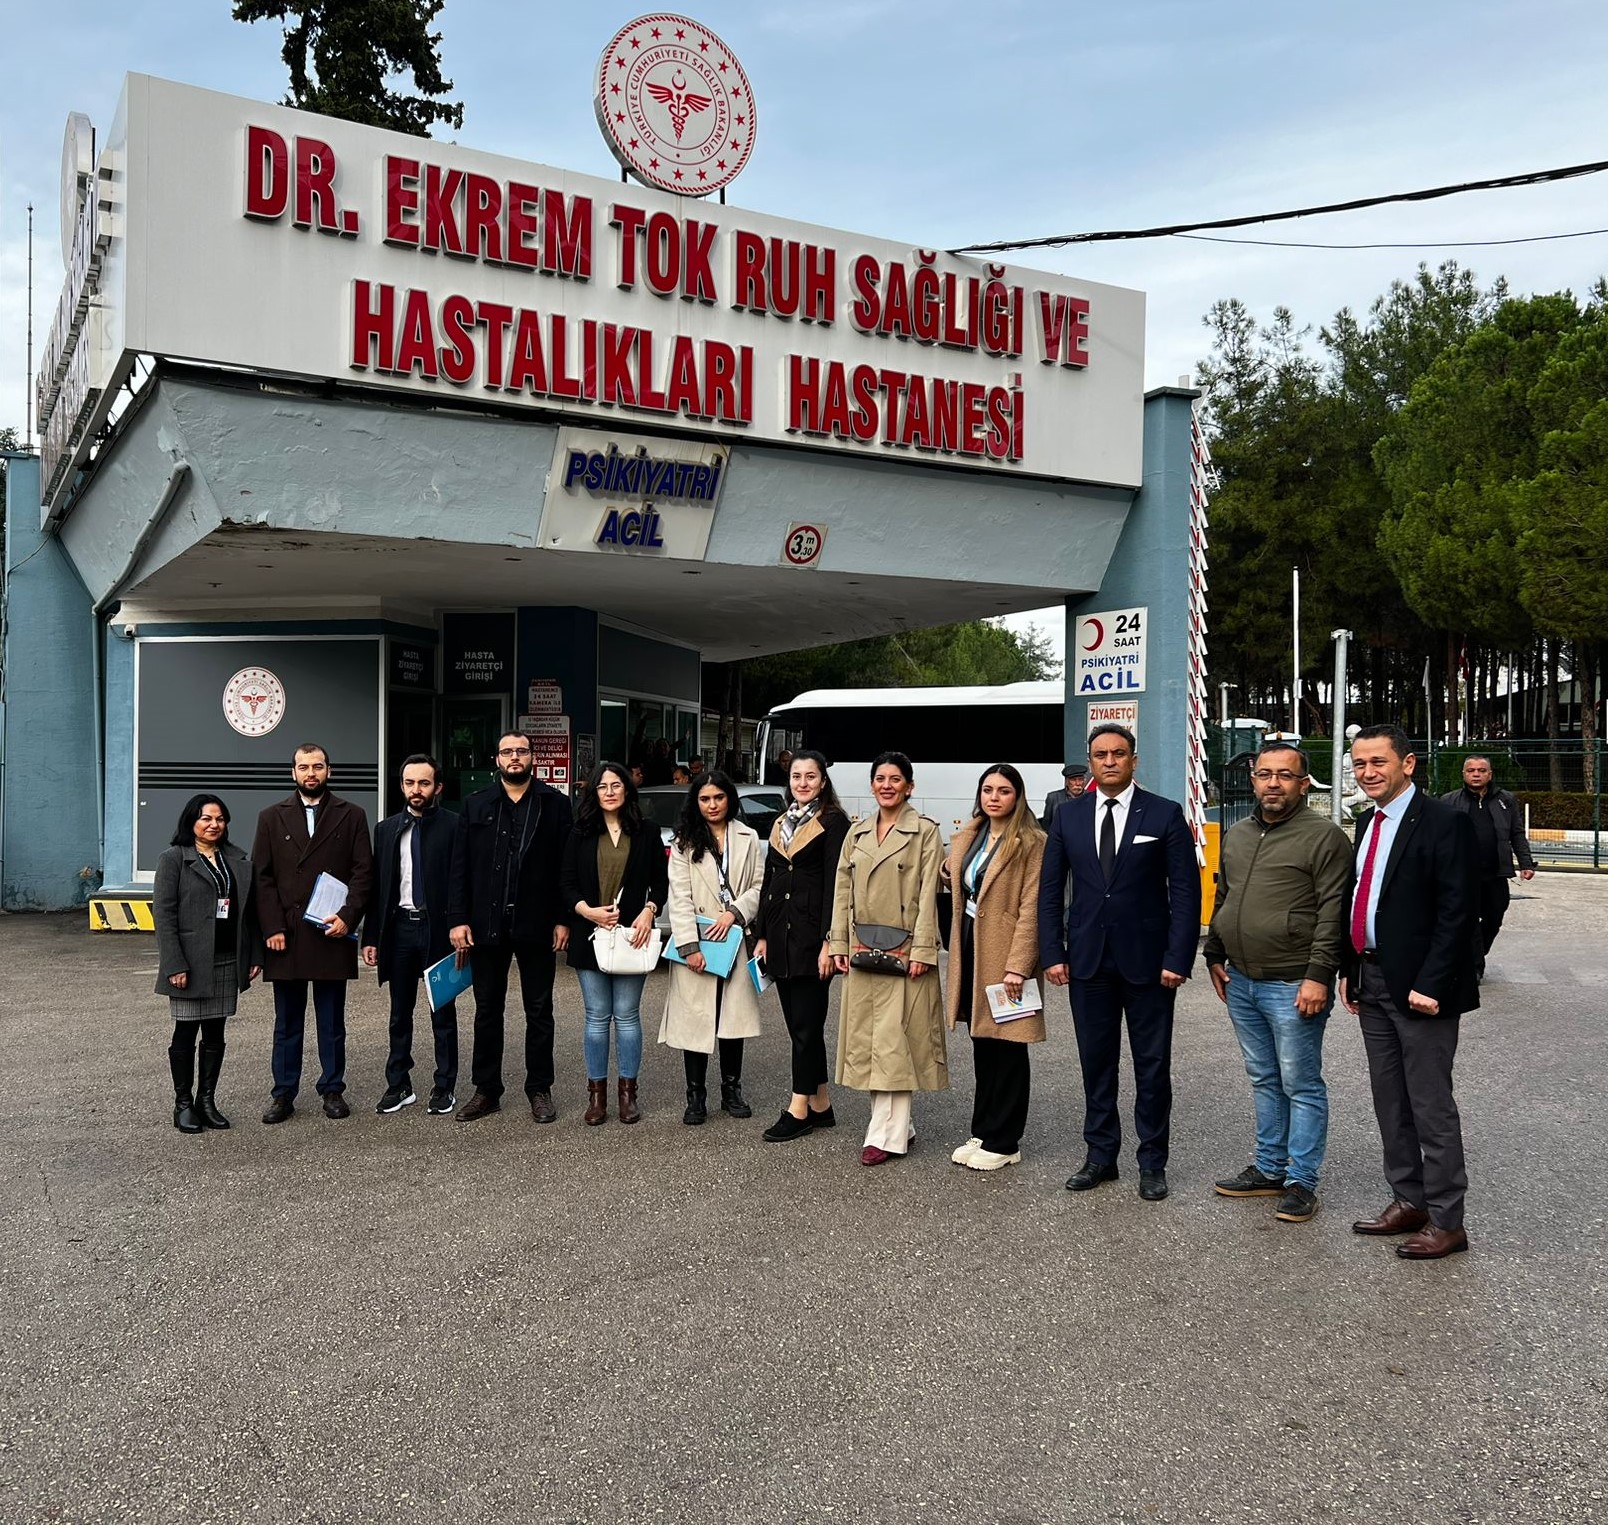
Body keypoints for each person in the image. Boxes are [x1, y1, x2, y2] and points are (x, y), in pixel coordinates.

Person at [1038, 724, 1201, 1201]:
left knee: (1152, 1067)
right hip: (1087, 963)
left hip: (1150, 965)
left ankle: (1152, 1162)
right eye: (1100, 754)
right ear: (1090, 761)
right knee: (1096, 1064)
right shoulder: (1068, 817)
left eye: (1118, 753)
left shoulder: (1166, 814)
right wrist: (1053, 952)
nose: (1109, 761)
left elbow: (1186, 893)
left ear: (1134, 760)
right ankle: (1100, 1156)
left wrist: (1178, 957)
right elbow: (1050, 892)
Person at [1342, 723, 1480, 1260]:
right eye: (1360, 764)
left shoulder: (1445, 822)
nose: (1368, 773)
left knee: (1429, 1105)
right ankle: (1409, 1199)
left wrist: (1431, 983)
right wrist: (1352, 971)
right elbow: (1365, 899)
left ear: (1408, 764)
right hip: (1372, 980)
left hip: (1423, 989)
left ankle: (1448, 1221)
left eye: (1378, 762)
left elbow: (1458, 912)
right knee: (1389, 1100)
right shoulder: (1366, 823)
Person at [1203, 742, 1353, 1223]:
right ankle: (1269, 1169)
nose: (1273, 783)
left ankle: (1302, 1182)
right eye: (1264, 774)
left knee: (1301, 1084)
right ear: (1253, 780)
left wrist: (1318, 976)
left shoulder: (1324, 837)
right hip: (1242, 980)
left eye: (1284, 775)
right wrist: (1214, 952)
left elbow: (1334, 913)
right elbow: (1225, 894)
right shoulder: (1240, 833)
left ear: (1304, 783)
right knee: (1265, 1078)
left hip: (1293, 984)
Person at [448, 731, 574, 1123]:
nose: (514, 757)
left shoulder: (555, 805)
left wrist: (562, 918)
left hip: (537, 923)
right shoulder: (475, 805)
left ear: (531, 757)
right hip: (486, 925)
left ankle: (540, 1089)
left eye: (521, 751)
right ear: (497, 759)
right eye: (507, 752)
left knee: (539, 1010)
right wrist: (457, 919)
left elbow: (564, 869)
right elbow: (460, 868)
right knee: (487, 1009)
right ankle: (486, 1090)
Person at [830, 751, 947, 1166]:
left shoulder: (925, 832)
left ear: (909, 786)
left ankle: (885, 1134)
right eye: (880, 778)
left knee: (897, 1041)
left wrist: (922, 950)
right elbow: (842, 892)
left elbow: (930, 893)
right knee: (871, 1043)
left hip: (905, 950)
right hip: (863, 948)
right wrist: (838, 944)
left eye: (895, 779)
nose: (886, 785)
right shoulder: (857, 833)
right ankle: (901, 1126)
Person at [254, 744, 374, 1123]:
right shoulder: (271, 817)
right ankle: (283, 1093)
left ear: (329, 771)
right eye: (303, 767)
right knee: (287, 1022)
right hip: (286, 934)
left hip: (330, 930)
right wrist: (271, 927)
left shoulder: (351, 815)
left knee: (331, 1020)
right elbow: (262, 877)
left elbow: (363, 872)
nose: (311, 773)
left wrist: (348, 917)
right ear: (293, 773)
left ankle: (332, 1089)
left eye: (317, 766)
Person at [944, 763, 1047, 1171]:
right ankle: (984, 1130)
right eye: (987, 789)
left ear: (1017, 797)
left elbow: (1032, 907)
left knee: (1008, 1045)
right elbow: (966, 880)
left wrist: (1018, 966)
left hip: (1004, 955)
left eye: (1003, 791)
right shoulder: (972, 835)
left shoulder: (1032, 842)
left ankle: (1005, 1140)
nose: (994, 797)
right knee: (982, 1041)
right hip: (971, 947)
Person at [561, 761, 668, 1124]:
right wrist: (587, 911)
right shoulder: (579, 831)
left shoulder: (647, 831)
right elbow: (565, 883)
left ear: (627, 790)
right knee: (595, 1017)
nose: (609, 792)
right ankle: (596, 1098)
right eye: (602, 786)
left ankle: (627, 1095)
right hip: (590, 935)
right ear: (594, 792)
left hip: (631, 936)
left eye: (616, 785)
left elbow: (661, 882)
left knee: (626, 1016)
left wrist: (650, 910)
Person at [659, 771, 765, 1124]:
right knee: (696, 1019)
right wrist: (689, 947)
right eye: (705, 799)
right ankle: (695, 1095)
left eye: (718, 797)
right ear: (696, 802)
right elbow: (680, 897)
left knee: (732, 1020)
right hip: (699, 940)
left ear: (729, 799)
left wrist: (734, 913)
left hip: (734, 939)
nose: (712, 805)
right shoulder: (684, 843)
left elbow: (759, 886)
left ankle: (731, 1090)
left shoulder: (748, 837)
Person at [152, 795, 263, 1132]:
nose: (214, 824)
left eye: (219, 819)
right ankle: (183, 1104)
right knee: (185, 1031)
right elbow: (164, 915)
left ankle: (207, 1100)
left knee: (216, 1031)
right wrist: (174, 964)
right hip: (190, 961)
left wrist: (254, 956)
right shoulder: (173, 860)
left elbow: (251, 914)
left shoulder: (236, 859)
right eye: (206, 819)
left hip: (228, 958)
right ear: (191, 822)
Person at [755, 750, 850, 1141]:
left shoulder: (834, 822)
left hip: (813, 936)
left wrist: (831, 940)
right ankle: (822, 1103)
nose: (803, 783)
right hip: (779, 933)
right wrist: (760, 934)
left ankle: (799, 1107)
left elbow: (836, 885)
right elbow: (768, 880)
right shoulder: (782, 821)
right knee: (799, 1024)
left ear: (823, 781)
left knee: (807, 1025)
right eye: (797, 776)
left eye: (811, 777)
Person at [362, 754, 463, 1116]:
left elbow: (460, 882)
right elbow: (379, 888)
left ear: (437, 787)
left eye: (423, 783)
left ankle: (444, 1086)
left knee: (442, 1012)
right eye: (409, 783)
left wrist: (460, 925)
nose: (415, 790)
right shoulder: (386, 829)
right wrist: (371, 937)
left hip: (440, 932)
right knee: (399, 1013)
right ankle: (398, 1084)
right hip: (400, 930)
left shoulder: (454, 826)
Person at [1440, 753, 1536, 978]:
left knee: (1495, 916)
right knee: (1470, 920)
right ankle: (1474, 969)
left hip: (1496, 872)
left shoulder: (1506, 799)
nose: (1476, 774)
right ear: (1463, 774)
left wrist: (1526, 863)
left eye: (1481, 770)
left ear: (1490, 774)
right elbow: (1440, 837)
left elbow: (1516, 833)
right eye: (1471, 770)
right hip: (1462, 875)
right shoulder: (1448, 801)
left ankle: (1475, 954)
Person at [1040, 762, 1089, 828]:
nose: (1077, 783)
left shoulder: (1091, 797)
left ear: (1084, 781)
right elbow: (1046, 825)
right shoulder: (1053, 798)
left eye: (1080, 779)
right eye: (1073, 780)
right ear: (1066, 781)